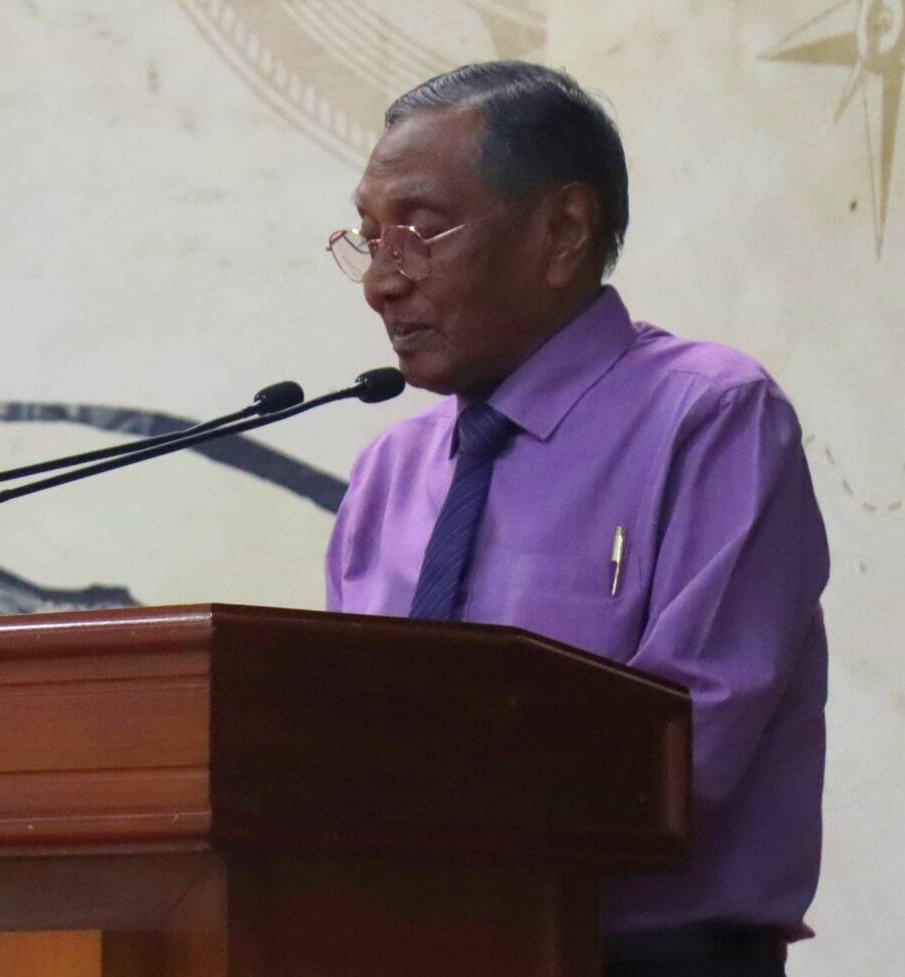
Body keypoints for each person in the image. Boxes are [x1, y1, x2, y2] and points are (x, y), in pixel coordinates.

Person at [321, 61, 829, 977]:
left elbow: (685, 747)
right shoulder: (388, 474)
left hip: (641, 957)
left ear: (561, 231)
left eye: (418, 231)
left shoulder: (708, 418)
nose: (381, 282)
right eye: (367, 239)